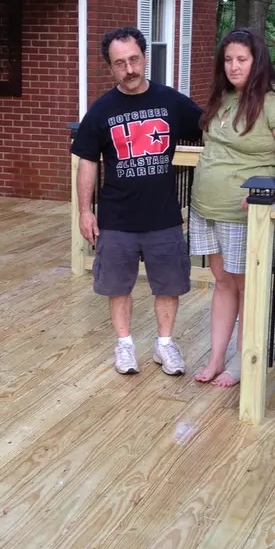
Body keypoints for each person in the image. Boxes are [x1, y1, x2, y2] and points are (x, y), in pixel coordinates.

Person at [72, 26, 204, 375]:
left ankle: (165, 345)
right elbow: (87, 161)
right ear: (110, 68)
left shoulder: (171, 101)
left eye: (134, 60)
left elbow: (212, 125)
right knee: (118, 286)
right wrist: (86, 211)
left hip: (163, 215)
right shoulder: (101, 110)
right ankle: (125, 345)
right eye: (120, 63)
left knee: (169, 284)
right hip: (117, 217)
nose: (129, 69)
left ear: (145, 58)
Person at [190, 28, 275, 387]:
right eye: (228, 60)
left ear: (258, 61)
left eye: (241, 59)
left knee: (246, 288)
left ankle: (242, 360)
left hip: (244, 212)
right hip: (205, 208)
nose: (233, 66)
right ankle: (214, 358)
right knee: (222, 284)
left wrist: (272, 188)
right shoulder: (224, 97)